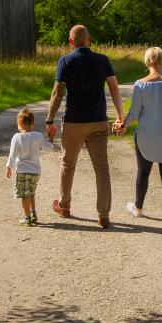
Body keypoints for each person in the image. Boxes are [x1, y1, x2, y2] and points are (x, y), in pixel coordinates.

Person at [47, 24, 124, 227]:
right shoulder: (103, 60)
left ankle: (64, 206)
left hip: (73, 121)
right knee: (102, 168)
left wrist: (49, 119)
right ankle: (104, 215)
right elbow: (114, 88)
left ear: (71, 41)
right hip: (98, 121)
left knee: (68, 164)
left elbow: (57, 93)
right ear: (88, 39)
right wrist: (119, 116)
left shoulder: (65, 61)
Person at [119, 46, 162, 228]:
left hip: (146, 135)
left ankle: (138, 208)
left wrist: (123, 125)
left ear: (147, 61)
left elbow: (134, 113)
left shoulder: (140, 85)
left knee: (143, 171)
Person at [5, 107, 55, 226]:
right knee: (31, 193)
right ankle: (33, 214)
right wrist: (51, 137)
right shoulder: (37, 136)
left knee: (24, 195)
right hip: (36, 172)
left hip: (23, 171)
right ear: (32, 124)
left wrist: (9, 167)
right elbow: (48, 148)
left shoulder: (17, 138)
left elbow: (12, 155)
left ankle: (27, 217)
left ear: (19, 124)